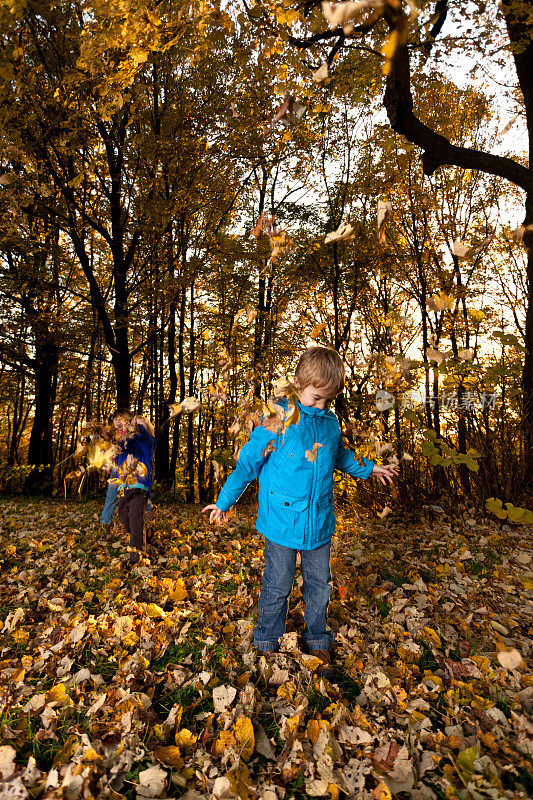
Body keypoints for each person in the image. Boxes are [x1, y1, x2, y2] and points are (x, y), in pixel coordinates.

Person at [202, 346, 397, 676]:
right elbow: (248, 464)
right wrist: (224, 502)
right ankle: (266, 640)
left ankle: (317, 638)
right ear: (297, 383)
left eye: (328, 400)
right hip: (281, 521)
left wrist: (369, 468)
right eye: (315, 397)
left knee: (320, 585)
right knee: (278, 584)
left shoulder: (330, 423)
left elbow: (339, 456)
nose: (321, 406)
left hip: (318, 522)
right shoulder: (277, 420)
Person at [112, 410, 156, 565]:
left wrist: (141, 428)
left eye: (123, 420)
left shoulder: (145, 440)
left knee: (135, 520)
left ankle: (136, 558)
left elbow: (144, 441)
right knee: (124, 518)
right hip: (123, 487)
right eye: (116, 420)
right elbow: (116, 459)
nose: (120, 423)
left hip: (139, 486)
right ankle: (146, 533)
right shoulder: (121, 444)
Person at [99, 412, 155, 528]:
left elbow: (141, 437)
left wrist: (135, 430)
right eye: (116, 426)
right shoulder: (117, 436)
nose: (118, 427)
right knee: (111, 495)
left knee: (134, 491)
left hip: (134, 470)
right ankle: (105, 523)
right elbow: (115, 451)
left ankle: (148, 507)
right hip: (118, 469)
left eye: (120, 423)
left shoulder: (136, 435)